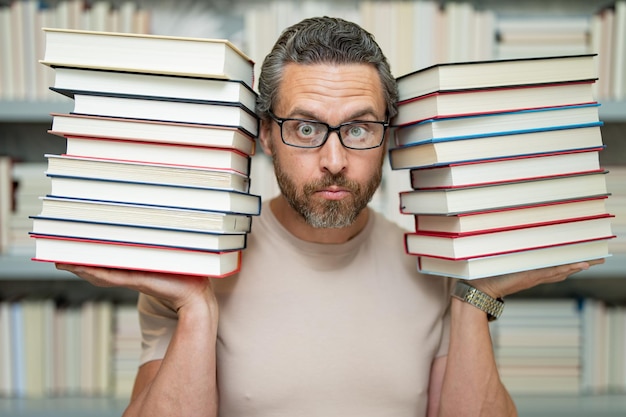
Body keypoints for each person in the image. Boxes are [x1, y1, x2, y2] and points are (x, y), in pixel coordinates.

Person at [56, 16, 604, 417]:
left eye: (359, 128)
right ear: (266, 135)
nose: (335, 160)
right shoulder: (193, 266)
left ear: (389, 137)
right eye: (305, 128)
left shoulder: (434, 266)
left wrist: (471, 300)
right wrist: (197, 308)